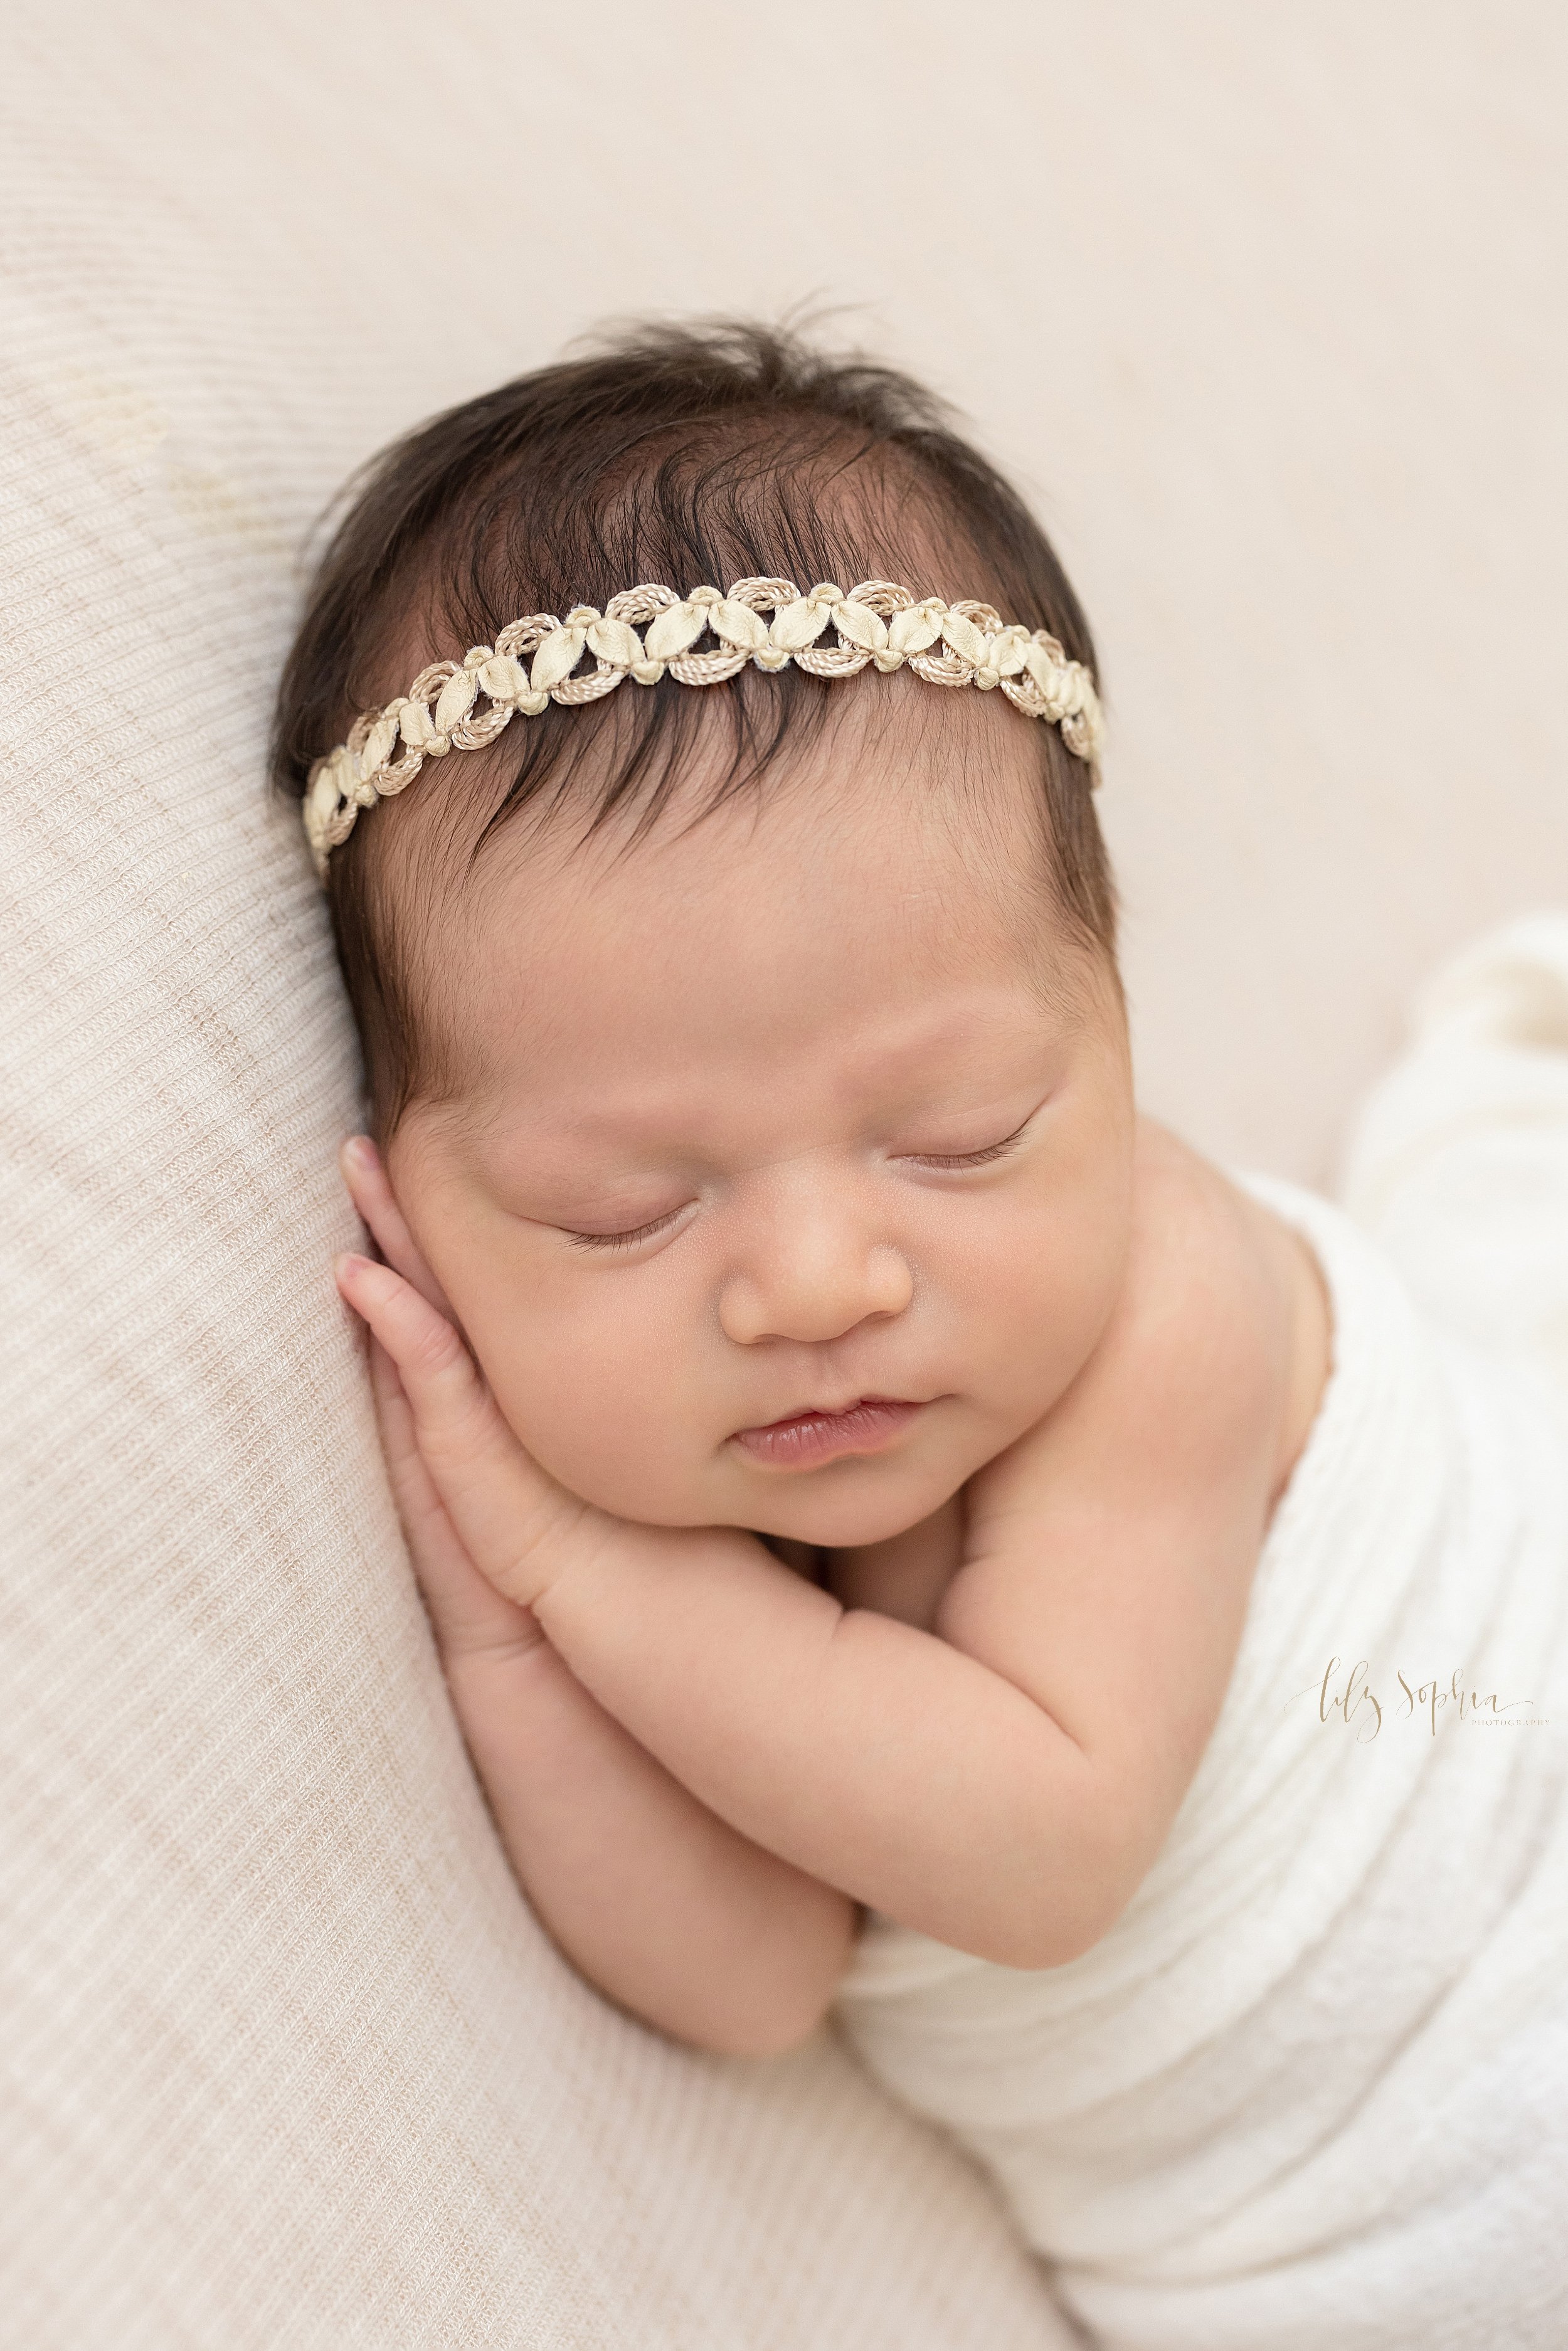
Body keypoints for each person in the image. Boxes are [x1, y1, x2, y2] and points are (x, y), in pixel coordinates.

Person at [273, 319, 1568, 2348]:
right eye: (623, 1206)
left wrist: (575, 1562)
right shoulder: (673, 1501)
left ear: (1112, 1020)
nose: (813, 1282)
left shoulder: (1158, 1300)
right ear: (414, 1192)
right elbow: (758, 1979)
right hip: (1312, 2237)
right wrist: (509, 1631)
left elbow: (1041, 1842)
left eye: (956, 1138)